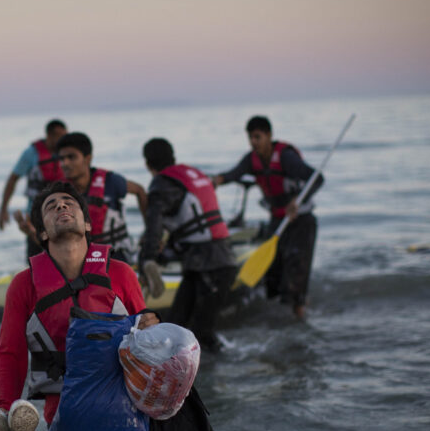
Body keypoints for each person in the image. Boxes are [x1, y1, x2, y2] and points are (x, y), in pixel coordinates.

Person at [0, 180, 159, 431]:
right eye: (51, 206)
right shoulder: (24, 286)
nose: (62, 207)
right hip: (63, 423)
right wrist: (3, 409)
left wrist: (153, 326)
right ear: (42, 232)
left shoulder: (122, 274)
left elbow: (147, 343)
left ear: (88, 224)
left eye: (69, 203)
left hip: (119, 421)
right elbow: (10, 354)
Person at [212, 116, 322, 319]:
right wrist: (216, 181)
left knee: (296, 266)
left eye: (258, 137)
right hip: (277, 220)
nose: (253, 142)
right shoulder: (252, 159)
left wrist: (297, 200)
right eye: (250, 137)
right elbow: (233, 174)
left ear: (269, 136)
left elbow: (317, 178)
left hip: (301, 220)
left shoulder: (286, 157)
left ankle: (300, 313)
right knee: (275, 268)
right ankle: (282, 312)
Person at [139, 138, 237, 353]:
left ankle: (215, 378)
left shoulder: (161, 184)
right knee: (177, 326)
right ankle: (189, 375)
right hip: (217, 260)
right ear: (172, 156)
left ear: (148, 164)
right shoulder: (191, 174)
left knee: (200, 333)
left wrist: (148, 260)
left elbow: (153, 226)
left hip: (209, 264)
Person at [39, 131, 147, 263]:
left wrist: (149, 231)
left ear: (88, 158)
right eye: (61, 159)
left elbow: (140, 191)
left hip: (115, 253)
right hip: (81, 256)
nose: (64, 163)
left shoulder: (111, 182)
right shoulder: (60, 191)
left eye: (71, 157)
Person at [0, 119, 68, 260]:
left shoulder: (66, 155)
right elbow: (13, 179)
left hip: (62, 216)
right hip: (36, 217)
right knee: (37, 259)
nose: (63, 140)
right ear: (49, 135)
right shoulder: (31, 154)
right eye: (59, 136)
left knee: (63, 257)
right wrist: (3, 209)